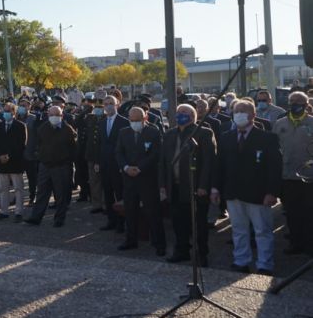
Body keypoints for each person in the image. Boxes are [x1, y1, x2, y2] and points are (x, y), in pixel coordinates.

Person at [213, 100, 282, 275]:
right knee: (239, 230)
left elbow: (275, 167)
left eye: (244, 111)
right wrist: (215, 188)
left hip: (258, 193)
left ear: (253, 115)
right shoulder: (226, 137)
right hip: (233, 192)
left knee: (262, 231)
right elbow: (219, 165)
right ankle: (240, 260)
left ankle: (265, 264)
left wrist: (272, 192)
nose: (239, 114)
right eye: (237, 111)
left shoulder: (267, 137)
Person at [159, 104, 217, 267]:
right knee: (178, 222)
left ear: (193, 116)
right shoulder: (169, 134)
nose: (180, 115)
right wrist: (163, 185)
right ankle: (182, 251)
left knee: (198, 224)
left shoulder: (203, 133)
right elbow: (163, 162)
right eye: (178, 112)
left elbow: (209, 163)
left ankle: (201, 254)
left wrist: (204, 185)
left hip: (195, 187)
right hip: (175, 187)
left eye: (184, 112)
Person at [115, 107, 166, 256]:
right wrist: (125, 167)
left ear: (145, 119)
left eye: (138, 120)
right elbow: (119, 152)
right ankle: (131, 240)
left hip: (147, 178)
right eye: (132, 120)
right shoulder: (124, 132)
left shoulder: (154, 132)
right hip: (129, 178)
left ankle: (159, 243)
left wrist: (140, 168)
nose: (135, 123)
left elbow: (156, 154)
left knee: (153, 212)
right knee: (130, 210)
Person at [273, 92, 313, 255]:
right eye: (292, 101)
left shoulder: (311, 122)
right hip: (287, 176)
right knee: (292, 212)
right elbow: (274, 149)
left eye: (299, 101)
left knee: (309, 212)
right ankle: (296, 243)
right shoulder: (279, 123)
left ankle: (310, 244)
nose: (295, 104)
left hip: (309, 177)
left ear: (306, 104)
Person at [25, 105, 77, 227]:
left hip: (61, 166)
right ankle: (36, 217)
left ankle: (59, 219)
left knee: (61, 194)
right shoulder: (43, 128)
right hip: (45, 165)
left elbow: (74, 149)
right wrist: (40, 157)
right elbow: (38, 145)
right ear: (48, 116)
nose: (54, 117)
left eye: (57, 115)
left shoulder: (68, 130)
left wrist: (67, 162)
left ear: (61, 116)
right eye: (51, 115)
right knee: (42, 193)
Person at [98, 95, 129, 232]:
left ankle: (122, 223)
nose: (109, 106)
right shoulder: (102, 122)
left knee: (120, 194)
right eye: (106, 104)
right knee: (108, 193)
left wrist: (124, 165)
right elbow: (100, 144)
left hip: (118, 165)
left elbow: (127, 147)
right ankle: (111, 220)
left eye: (111, 103)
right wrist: (98, 162)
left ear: (117, 105)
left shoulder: (124, 122)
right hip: (105, 164)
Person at [0, 103, 28, 222]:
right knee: (3, 188)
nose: (5, 113)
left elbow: (22, 144)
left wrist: (9, 156)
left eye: (8, 111)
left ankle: (18, 212)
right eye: (4, 111)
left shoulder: (21, 126)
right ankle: (4, 211)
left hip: (15, 162)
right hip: (1, 162)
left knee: (18, 188)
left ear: (14, 112)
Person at [84, 98, 105, 214]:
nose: (98, 110)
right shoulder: (89, 118)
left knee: (105, 181)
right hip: (91, 154)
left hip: (103, 155)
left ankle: (105, 204)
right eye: (96, 107)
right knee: (94, 181)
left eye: (100, 108)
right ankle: (96, 204)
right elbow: (77, 122)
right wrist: (87, 109)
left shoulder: (107, 119)